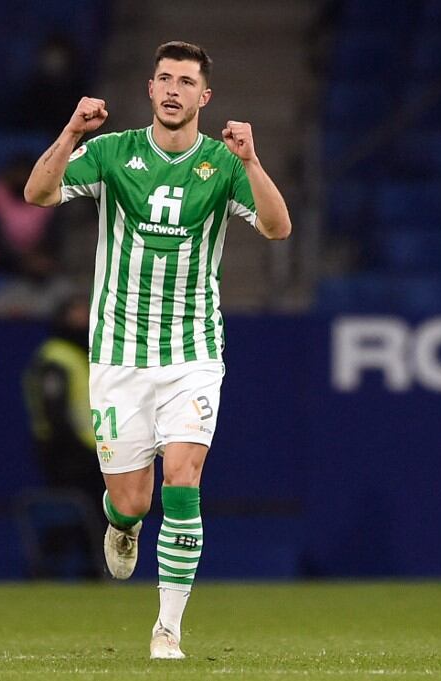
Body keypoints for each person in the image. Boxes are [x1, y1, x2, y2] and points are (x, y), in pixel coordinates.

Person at [23, 41, 291, 659]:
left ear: (205, 97)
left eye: (186, 81)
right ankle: (122, 524)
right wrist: (68, 133)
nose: (173, 89)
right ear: (149, 89)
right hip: (118, 353)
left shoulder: (224, 166)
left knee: (184, 476)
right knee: (133, 498)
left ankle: (167, 628)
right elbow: (38, 195)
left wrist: (251, 162)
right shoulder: (114, 152)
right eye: (164, 78)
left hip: (192, 350)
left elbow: (278, 228)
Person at [21, 294, 105, 578]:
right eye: (77, 313)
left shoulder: (78, 354)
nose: (83, 320)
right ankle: (52, 567)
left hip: (86, 448)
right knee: (79, 511)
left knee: (90, 512)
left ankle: (87, 569)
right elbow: (54, 408)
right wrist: (72, 447)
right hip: (68, 451)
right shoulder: (56, 356)